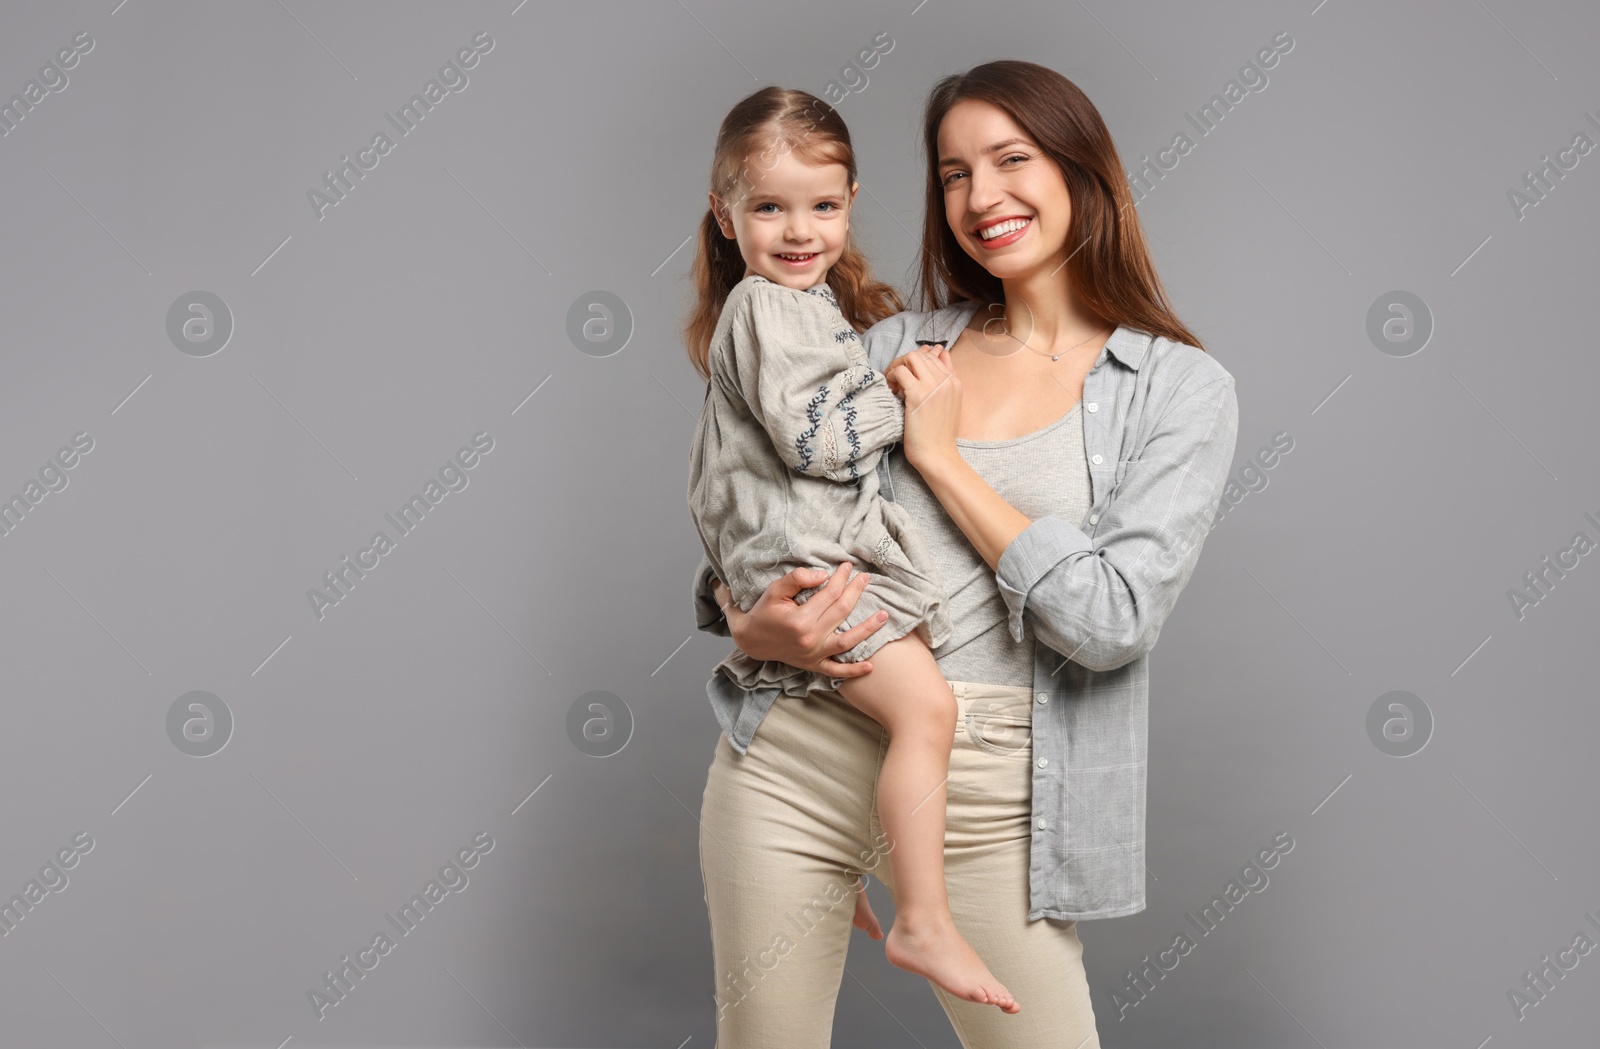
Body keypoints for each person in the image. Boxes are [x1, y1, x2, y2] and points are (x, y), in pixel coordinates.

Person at [691, 59, 1240, 1047]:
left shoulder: (1176, 389)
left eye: (1010, 158)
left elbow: (1112, 620)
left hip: (986, 792)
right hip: (795, 757)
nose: (982, 196)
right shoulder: (893, 340)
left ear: (1082, 170)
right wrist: (742, 613)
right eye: (953, 172)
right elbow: (773, 496)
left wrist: (940, 459)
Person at [684, 84, 1021, 1014]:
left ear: (852, 203)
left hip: (803, 557)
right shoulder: (764, 308)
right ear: (724, 214)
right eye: (768, 208)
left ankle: (853, 884)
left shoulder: (813, 308)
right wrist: (908, 402)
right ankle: (924, 917)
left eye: (822, 206)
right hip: (805, 565)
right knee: (926, 711)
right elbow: (816, 442)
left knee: (893, 716)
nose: (800, 231)